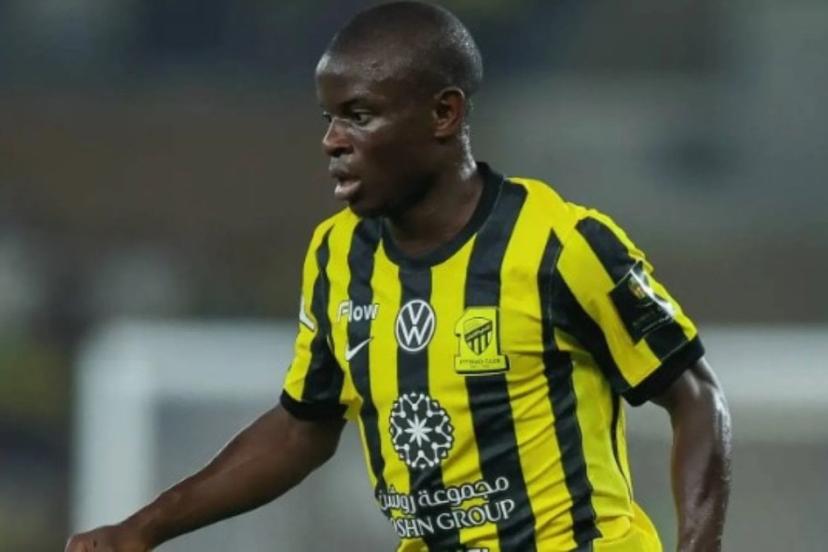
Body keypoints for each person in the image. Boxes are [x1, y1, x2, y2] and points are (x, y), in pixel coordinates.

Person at [66, 2, 731, 551]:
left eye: (359, 115)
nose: (332, 140)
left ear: (444, 114)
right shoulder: (337, 256)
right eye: (329, 118)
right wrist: (143, 529)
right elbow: (303, 427)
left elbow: (696, 397)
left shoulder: (560, 243)